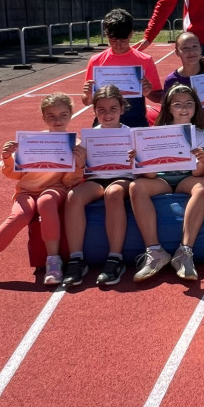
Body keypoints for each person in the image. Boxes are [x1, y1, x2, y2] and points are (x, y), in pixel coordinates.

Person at [0, 93, 86, 293]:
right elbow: (15, 174)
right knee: (20, 215)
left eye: (63, 115)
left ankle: (53, 261)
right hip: (27, 190)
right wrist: (7, 158)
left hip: (55, 189)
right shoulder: (33, 141)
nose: (57, 120)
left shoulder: (76, 145)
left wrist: (78, 166)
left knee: (47, 202)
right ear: (43, 118)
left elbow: (69, 182)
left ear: (71, 115)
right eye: (51, 116)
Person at [131, 84, 204, 282]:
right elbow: (150, 177)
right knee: (135, 186)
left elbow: (198, 173)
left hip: (186, 178)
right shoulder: (156, 132)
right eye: (177, 104)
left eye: (188, 104)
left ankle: (185, 250)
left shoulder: (201, 133)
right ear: (168, 107)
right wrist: (141, 160)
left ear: (196, 107)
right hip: (162, 179)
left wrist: (202, 160)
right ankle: (154, 250)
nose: (183, 109)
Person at [63, 86, 135, 287]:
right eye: (101, 110)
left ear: (122, 109)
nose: (107, 114)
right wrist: (79, 161)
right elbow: (83, 171)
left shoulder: (132, 134)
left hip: (124, 178)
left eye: (113, 108)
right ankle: (76, 259)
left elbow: (142, 168)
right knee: (73, 196)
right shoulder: (88, 136)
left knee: (113, 193)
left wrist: (136, 159)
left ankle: (115, 258)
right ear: (94, 111)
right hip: (96, 179)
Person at [83, 8, 163, 129]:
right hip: (105, 123)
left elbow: (158, 97)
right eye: (113, 40)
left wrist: (148, 92)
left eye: (123, 40)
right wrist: (89, 95)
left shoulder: (145, 60)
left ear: (131, 34)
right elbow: (86, 101)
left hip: (136, 122)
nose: (118, 45)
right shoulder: (96, 60)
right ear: (106, 35)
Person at [163, 31, 204, 134]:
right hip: (191, 134)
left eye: (195, 46)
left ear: (201, 49)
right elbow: (168, 112)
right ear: (177, 52)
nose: (191, 51)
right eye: (185, 48)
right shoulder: (172, 80)